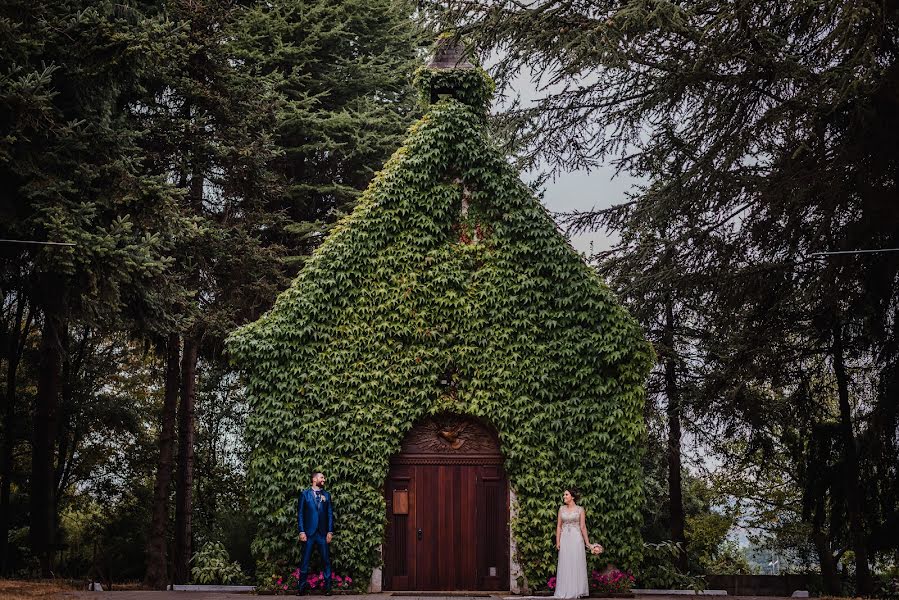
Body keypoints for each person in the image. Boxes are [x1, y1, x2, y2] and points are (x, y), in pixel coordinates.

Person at [554, 488, 602, 599]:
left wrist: (588, 543)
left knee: (576, 562)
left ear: (573, 497)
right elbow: (559, 526)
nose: (564, 497)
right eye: (564, 495)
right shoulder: (561, 509)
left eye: (566, 494)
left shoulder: (580, 510)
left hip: (576, 539)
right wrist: (558, 541)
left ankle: (576, 590)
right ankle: (565, 590)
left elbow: (583, 527)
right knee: (565, 563)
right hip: (565, 539)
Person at [296, 471, 334, 595]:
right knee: (305, 561)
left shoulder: (327, 495)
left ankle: (328, 588)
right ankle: (301, 589)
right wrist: (301, 530)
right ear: (314, 479)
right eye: (321, 477)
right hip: (309, 533)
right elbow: (300, 513)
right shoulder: (304, 494)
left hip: (322, 534)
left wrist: (330, 532)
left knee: (326, 561)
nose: (324, 479)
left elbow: (329, 514)